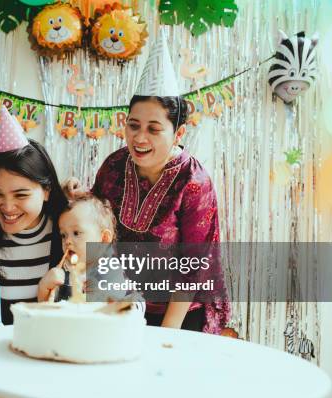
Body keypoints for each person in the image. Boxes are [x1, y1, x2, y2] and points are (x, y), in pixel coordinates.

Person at [65, 34, 230, 334]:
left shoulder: (194, 182)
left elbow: (194, 267)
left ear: (178, 134)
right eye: (133, 125)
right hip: (120, 303)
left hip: (179, 314)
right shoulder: (115, 165)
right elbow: (100, 220)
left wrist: (167, 333)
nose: (140, 138)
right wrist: (80, 197)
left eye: (154, 129)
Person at [0, 106, 68, 325]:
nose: (8, 207)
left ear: (46, 191)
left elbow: (120, 303)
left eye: (21, 194)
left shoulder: (71, 234)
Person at [37, 193, 146, 311]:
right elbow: (47, 309)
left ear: (104, 239)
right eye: (63, 235)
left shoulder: (110, 269)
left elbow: (110, 307)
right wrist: (44, 288)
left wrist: (97, 296)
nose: (67, 241)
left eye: (76, 233)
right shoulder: (64, 271)